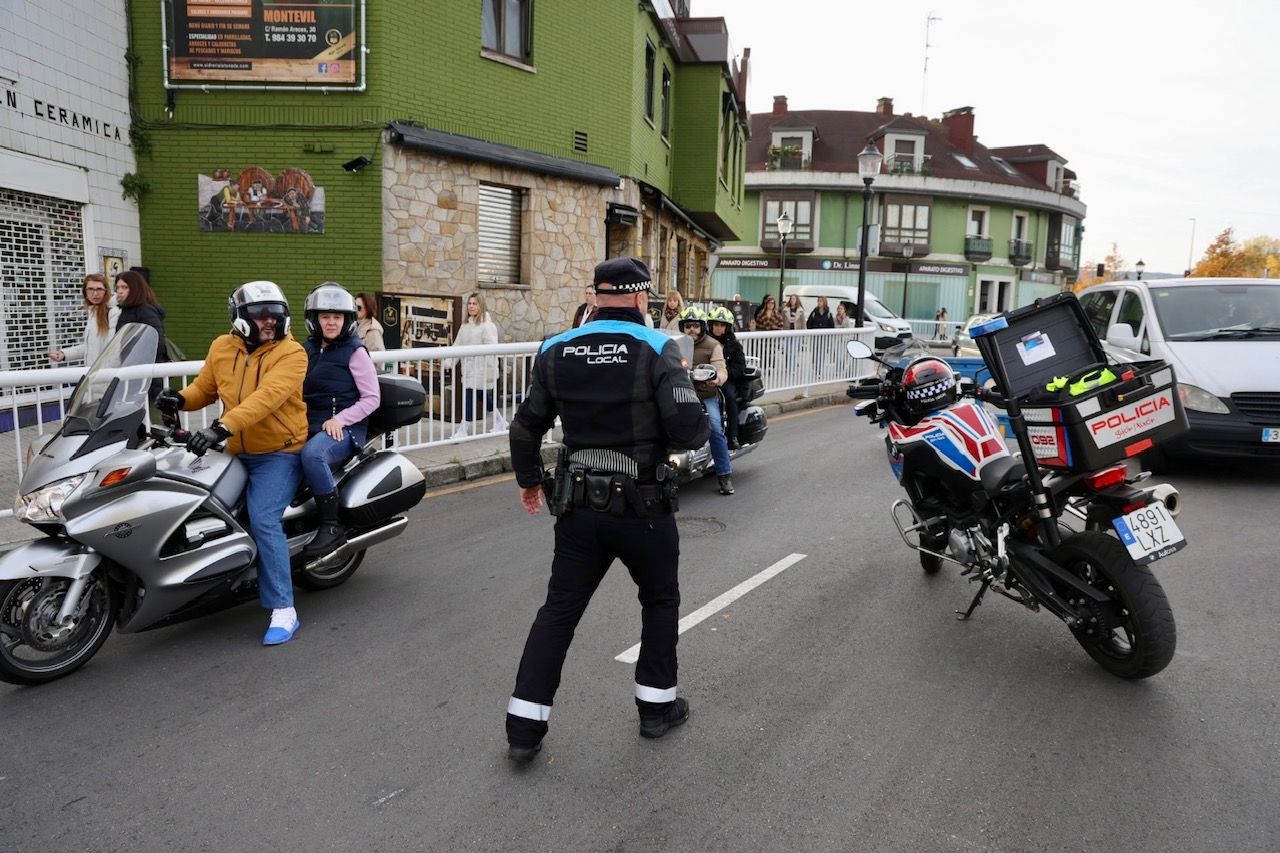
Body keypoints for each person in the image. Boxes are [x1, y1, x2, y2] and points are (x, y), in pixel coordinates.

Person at [503, 257, 710, 765]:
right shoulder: (660, 348)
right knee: (659, 601)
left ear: (594, 297)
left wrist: (531, 482)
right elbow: (688, 431)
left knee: (558, 611)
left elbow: (524, 427)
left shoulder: (555, 348)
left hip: (577, 509)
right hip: (643, 507)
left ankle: (524, 729)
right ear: (642, 299)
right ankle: (656, 710)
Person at [155, 281, 308, 646]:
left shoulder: (292, 353)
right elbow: (205, 389)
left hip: (279, 452)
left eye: (274, 314)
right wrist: (179, 398)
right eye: (259, 314)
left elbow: (266, 399)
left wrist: (219, 428)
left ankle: (284, 609)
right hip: (235, 450)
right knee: (196, 504)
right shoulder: (222, 347)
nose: (269, 321)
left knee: (263, 517)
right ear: (240, 318)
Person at [298, 283, 381, 559]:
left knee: (313, 455)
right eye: (325, 316)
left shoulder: (355, 351)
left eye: (337, 317)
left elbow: (372, 398)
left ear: (347, 320)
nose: (331, 322)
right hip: (309, 423)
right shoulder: (306, 349)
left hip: (345, 428)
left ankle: (331, 526)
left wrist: (341, 419)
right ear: (315, 319)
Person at [680, 305, 734, 495]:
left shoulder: (713, 345)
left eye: (695, 325)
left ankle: (725, 475)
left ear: (702, 326)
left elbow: (721, 369)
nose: (692, 329)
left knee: (715, 429)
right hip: (678, 393)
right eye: (688, 326)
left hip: (704, 394)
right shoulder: (675, 344)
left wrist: (716, 380)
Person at [445, 292, 507, 437]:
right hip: (469, 368)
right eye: (470, 304)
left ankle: (463, 430)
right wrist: (450, 361)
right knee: (482, 395)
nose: (471, 307)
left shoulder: (487, 326)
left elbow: (492, 348)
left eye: (475, 304)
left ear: (481, 306)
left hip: (482, 369)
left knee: (469, 394)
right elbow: (457, 345)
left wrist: (486, 370)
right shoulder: (465, 326)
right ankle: (500, 421)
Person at [113, 269, 167, 399]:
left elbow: (157, 342)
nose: (119, 291)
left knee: (153, 417)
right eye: (118, 287)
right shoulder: (125, 311)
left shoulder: (145, 311)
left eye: (124, 287)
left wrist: (136, 357)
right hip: (133, 376)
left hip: (148, 378)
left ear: (135, 289)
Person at [48, 273, 119, 366]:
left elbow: (113, 349)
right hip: (92, 374)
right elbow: (90, 347)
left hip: (105, 375)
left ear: (106, 291)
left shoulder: (113, 312)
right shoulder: (93, 312)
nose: (95, 293)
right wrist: (64, 354)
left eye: (99, 289)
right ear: (85, 292)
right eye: (90, 289)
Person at [706, 306, 746, 450]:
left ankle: (733, 436)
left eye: (722, 325)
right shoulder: (704, 343)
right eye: (716, 324)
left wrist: (724, 372)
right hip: (703, 379)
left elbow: (740, 367)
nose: (718, 328)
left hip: (726, 380)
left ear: (728, 327)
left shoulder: (734, 346)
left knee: (729, 397)